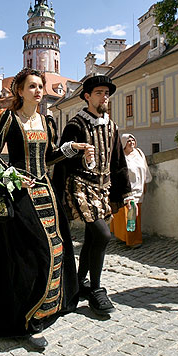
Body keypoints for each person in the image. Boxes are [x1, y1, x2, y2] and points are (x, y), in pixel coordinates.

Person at [0, 68, 88, 350]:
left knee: (56, 248)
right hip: (19, 197)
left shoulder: (47, 122)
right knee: (31, 254)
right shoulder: (7, 118)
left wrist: (72, 148)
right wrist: (10, 174)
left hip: (46, 193)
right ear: (19, 91)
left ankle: (48, 308)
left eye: (40, 86)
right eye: (32, 86)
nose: (38, 91)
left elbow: (49, 157)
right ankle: (27, 319)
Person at [53, 75, 132, 316]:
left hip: (103, 188)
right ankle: (97, 289)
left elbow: (118, 161)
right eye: (99, 93)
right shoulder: (76, 125)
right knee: (103, 234)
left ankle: (78, 283)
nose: (104, 97)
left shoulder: (112, 126)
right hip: (79, 186)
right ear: (87, 96)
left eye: (106, 93)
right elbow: (61, 158)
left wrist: (125, 192)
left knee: (92, 238)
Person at [110, 134, 152, 247]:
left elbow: (145, 168)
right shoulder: (121, 155)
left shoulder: (139, 153)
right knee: (128, 215)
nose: (132, 142)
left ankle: (130, 238)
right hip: (126, 190)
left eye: (133, 140)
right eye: (129, 141)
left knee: (134, 215)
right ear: (124, 143)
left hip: (138, 189)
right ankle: (131, 240)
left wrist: (146, 183)